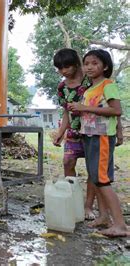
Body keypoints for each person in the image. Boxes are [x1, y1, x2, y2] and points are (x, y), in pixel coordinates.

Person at [68, 49, 127, 237]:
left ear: (105, 66)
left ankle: (120, 225)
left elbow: (116, 110)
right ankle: (103, 217)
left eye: (94, 63)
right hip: (90, 136)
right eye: (86, 64)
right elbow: (95, 110)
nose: (89, 67)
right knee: (96, 178)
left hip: (101, 137)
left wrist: (84, 107)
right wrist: (79, 110)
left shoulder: (108, 85)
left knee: (102, 180)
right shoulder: (90, 89)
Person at [52, 48, 94, 218]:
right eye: (60, 68)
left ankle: (88, 207)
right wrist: (60, 133)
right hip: (73, 133)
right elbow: (66, 113)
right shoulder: (62, 87)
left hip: (93, 132)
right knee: (68, 162)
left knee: (94, 169)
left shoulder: (91, 81)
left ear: (76, 64)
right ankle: (73, 200)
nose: (64, 71)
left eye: (67, 67)